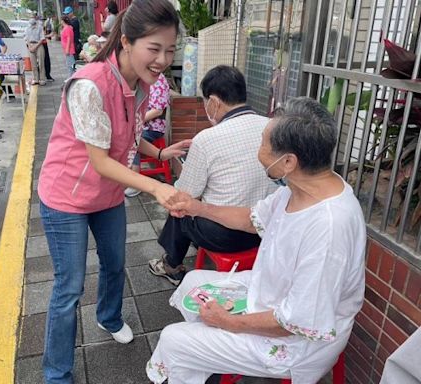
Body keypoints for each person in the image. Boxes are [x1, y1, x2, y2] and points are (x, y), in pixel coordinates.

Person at [146, 97, 366, 384]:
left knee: (173, 339)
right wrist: (198, 208)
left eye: (263, 143)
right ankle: (208, 356)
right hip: (271, 293)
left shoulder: (329, 227)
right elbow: (253, 218)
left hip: (298, 344)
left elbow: (296, 322)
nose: (258, 150)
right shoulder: (301, 186)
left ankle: (202, 350)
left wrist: (229, 323)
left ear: (288, 161)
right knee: (192, 282)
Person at [37, 1, 189, 382]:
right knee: (69, 287)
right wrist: (156, 186)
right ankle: (56, 374)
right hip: (66, 198)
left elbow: (126, 138)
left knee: (115, 264)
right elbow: (102, 160)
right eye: (154, 48)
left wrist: (158, 152)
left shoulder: (139, 85)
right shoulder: (89, 84)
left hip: (106, 196)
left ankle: (108, 317)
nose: (162, 60)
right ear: (125, 41)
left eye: (170, 50)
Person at [147, 66, 273, 286]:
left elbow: (185, 192)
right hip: (267, 227)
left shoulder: (207, 139)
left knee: (180, 206)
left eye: (206, 101)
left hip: (226, 235)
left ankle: (171, 265)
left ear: (214, 102)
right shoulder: (273, 128)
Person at [124, 71, 170, 197]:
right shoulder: (142, 78)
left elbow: (157, 111)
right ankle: (126, 176)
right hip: (141, 124)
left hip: (152, 127)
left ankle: (135, 181)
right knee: (124, 135)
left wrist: (135, 120)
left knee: (131, 139)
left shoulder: (158, 80)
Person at [25, 15, 46, 86]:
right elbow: (26, 38)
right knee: (33, 64)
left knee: (41, 63)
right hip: (30, 45)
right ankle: (35, 79)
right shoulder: (27, 28)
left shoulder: (39, 27)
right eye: (30, 18)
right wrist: (29, 46)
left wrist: (35, 46)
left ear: (35, 19)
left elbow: (42, 38)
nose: (31, 19)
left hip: (39, 45)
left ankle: (42, 79)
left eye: (32, 18)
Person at [42, 15, 54, 82]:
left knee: (46, 60)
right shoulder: (39, 28)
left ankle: (47, 75)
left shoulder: (44, 27)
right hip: (41, 45)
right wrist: (48, 35)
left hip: (44, 44)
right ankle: (45, 75)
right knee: (43, 61)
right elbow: (42, 36)